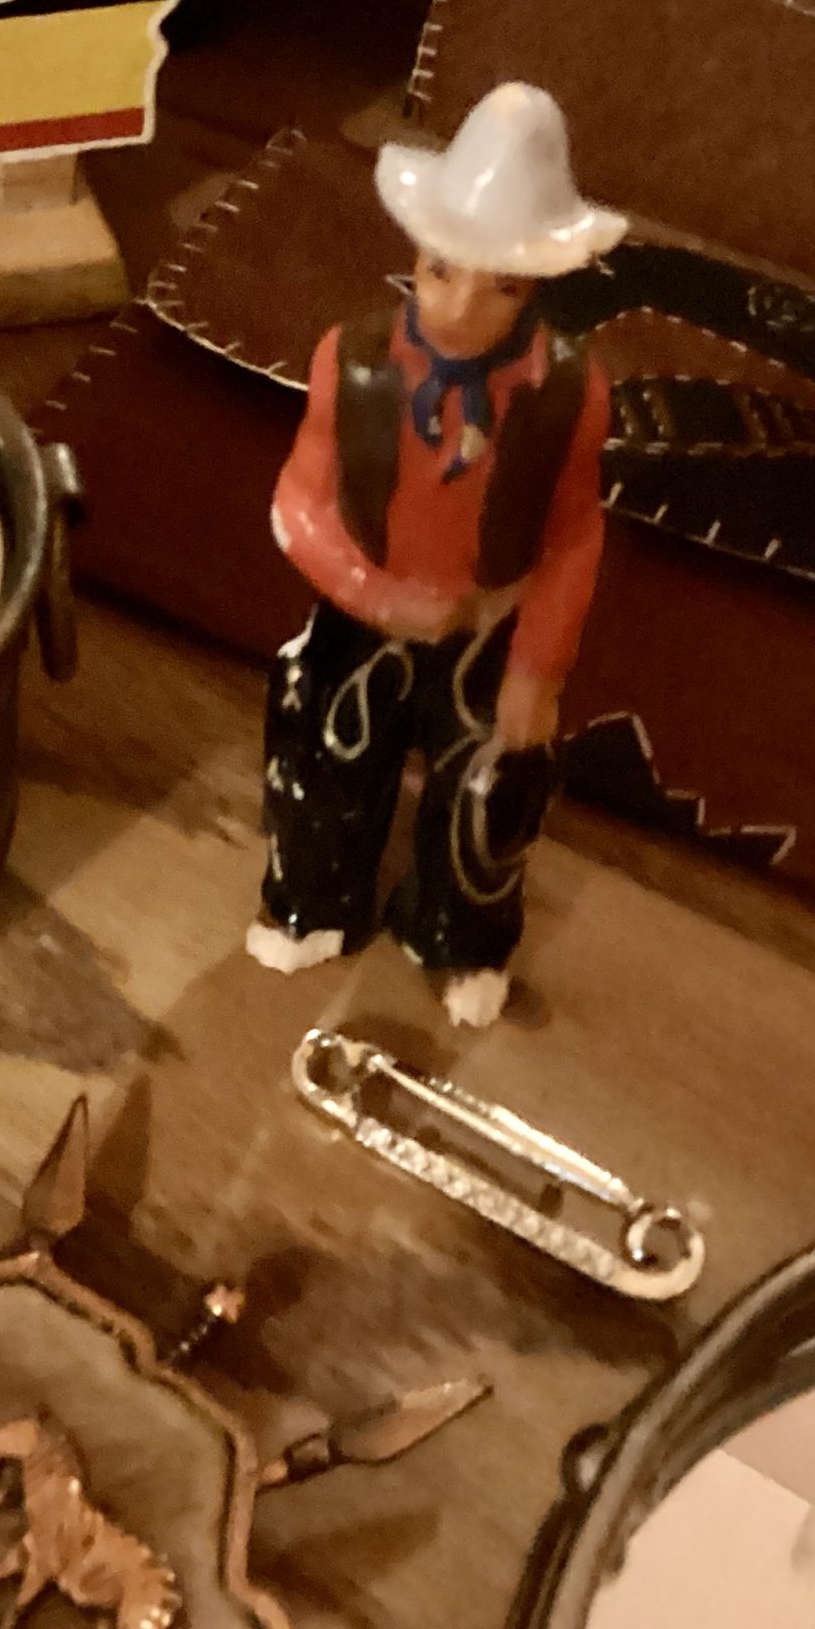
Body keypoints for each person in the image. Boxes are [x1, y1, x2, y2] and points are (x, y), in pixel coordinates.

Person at [247, 82, 625, 1028]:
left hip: (491, 619)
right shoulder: (351, 358)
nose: (461, 306)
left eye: (502, 285)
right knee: (324, 759)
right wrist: (373, 593)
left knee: (490, 795)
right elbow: (298, 502)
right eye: (442, 271)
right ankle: (313, 899)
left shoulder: (572, 391)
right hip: (369, 612)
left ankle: (458, 934)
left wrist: (537, 669)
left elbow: (575, 532)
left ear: (536, 286)